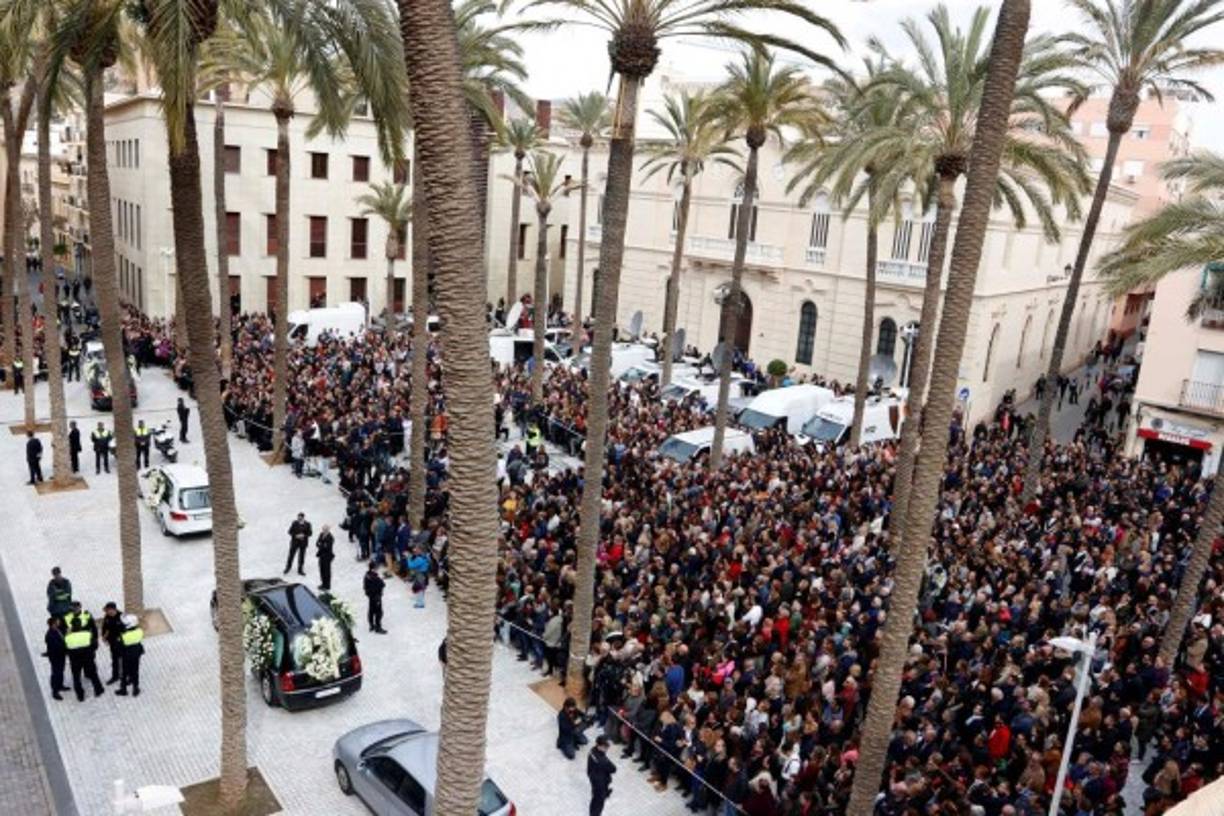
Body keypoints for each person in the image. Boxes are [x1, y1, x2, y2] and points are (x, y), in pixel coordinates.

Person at [63, 603, 105, 701]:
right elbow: (92, 640)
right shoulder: (86, 634)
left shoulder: (68, 638)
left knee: (76, 677)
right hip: (87, 655)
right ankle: (98, 689)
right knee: (93, 673)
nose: (74, 610)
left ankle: (80, 695)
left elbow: (66, 648)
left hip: (75, 659)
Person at [114, 614, 144, 697]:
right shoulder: (139, 631)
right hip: (136, 654)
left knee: (124, 673)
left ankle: (123, 689)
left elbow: (118, 646)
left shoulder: (123, 636)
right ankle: (135, 688)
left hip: (126, 656)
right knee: (135, 671)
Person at [587, 735, 617, 816]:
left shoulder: (593, 750)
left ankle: (605, 792)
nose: (607, 749)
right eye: (605, 747)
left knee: (598, 792)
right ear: (599, 746)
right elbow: (613, 769)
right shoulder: (601, 760)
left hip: (594, 775)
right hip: (599, 781)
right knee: (598, 801)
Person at [42, 617, 69, 700]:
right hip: (55, 657)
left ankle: (60, 685)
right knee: (56, 673)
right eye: (57, 622)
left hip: (61, 655)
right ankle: (55, 691)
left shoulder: (57, 630)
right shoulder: (50, 635)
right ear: (53, 624)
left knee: (61, 670)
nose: (59, 622)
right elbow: (56, 647)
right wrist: (66, 648)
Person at [100, 602, 125, 685]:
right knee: (114, 660)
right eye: (107, 610)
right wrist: (104, 637)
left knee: (123, 660)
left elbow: (127, 629)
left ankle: (125, 676)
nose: (108, 612)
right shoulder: (107, 617)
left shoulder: (122, 616)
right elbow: (104, 628)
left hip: (122, 643)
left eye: (109, 610)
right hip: (112, 643)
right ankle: (115, 676)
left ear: (114, 609)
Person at [364, 561, 386, 634]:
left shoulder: (367, 575)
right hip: (376, 596)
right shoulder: (375, 577)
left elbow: (365, 587)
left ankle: (371, 625)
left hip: (371, 596)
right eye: (376, 567)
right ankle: (378, 627)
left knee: (371, 611)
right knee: (378, 612)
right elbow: (382, 584)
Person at [316, 524, 335, 591]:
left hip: (327, 556)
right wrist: (322, 545)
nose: (324, 531)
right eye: (323, 529)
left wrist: (321, 545)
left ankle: (327, 585)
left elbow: (327, 547)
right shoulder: (321, 534)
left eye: (325, 530)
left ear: (328, 530)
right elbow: (317, 543)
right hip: (321, 555)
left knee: (327, 571)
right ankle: (323, 583)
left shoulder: (330, 537)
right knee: (322, 570)